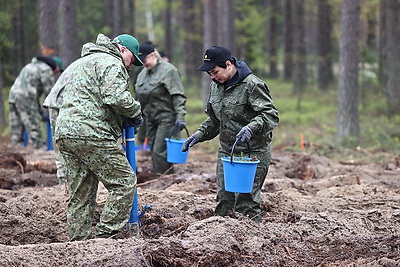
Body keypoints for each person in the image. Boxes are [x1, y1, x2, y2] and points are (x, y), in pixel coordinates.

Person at [54, 33, 144, 241]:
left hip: (66, 132)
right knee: (124, 182)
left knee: (80, 193)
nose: (131, 66)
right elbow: (116, 97)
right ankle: (105, 238)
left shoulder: (83, 62)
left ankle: (79, 243)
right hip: (92, 132)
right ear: (122, 50)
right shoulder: (112, 62)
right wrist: (136, 112)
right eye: (132, 59)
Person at [182, 46, 279, 222]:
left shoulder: (252, 85)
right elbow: (214, 119)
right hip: (228, 152)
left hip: (253, 152)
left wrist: (251, 127)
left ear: (228, 65)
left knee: (246, 202)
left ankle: (253, 240)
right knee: (224, 200)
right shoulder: (216, 86)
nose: (212, 76)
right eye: (209, 74)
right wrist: (198, 135)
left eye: (214, 71)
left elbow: (270, 114)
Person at [135, 42, 187, 174]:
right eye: (141, 60)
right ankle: (165, 175)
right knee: (153, 149)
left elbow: (178, 95)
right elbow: (139, 99)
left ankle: (164, 178)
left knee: (159, 150)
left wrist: (180, 117)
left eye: (145, 59)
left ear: (153, 55)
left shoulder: (169, 71)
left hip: (166, 118)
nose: (144, 63)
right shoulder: (142, 74)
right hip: (150, 118)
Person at [43, 48, 90, 184]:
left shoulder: (84, 62)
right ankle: (64, 181)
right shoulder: (92, 64)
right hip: (61, 103)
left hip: (60, 102)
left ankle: (66, 179)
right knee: (62, 144)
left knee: (62, 144)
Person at [8, 56, 63, 149]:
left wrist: (40, 111)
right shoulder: (46, 70)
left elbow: (33, 92)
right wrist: (56, 111)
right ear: (56, 67)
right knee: (33, 125)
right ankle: (40, 150)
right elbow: (50, 94)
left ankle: (16, 151)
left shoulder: (30, 66)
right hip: (26, 97)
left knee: (16, 130)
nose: (56, 73)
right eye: (58, 71)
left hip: (13, 96)